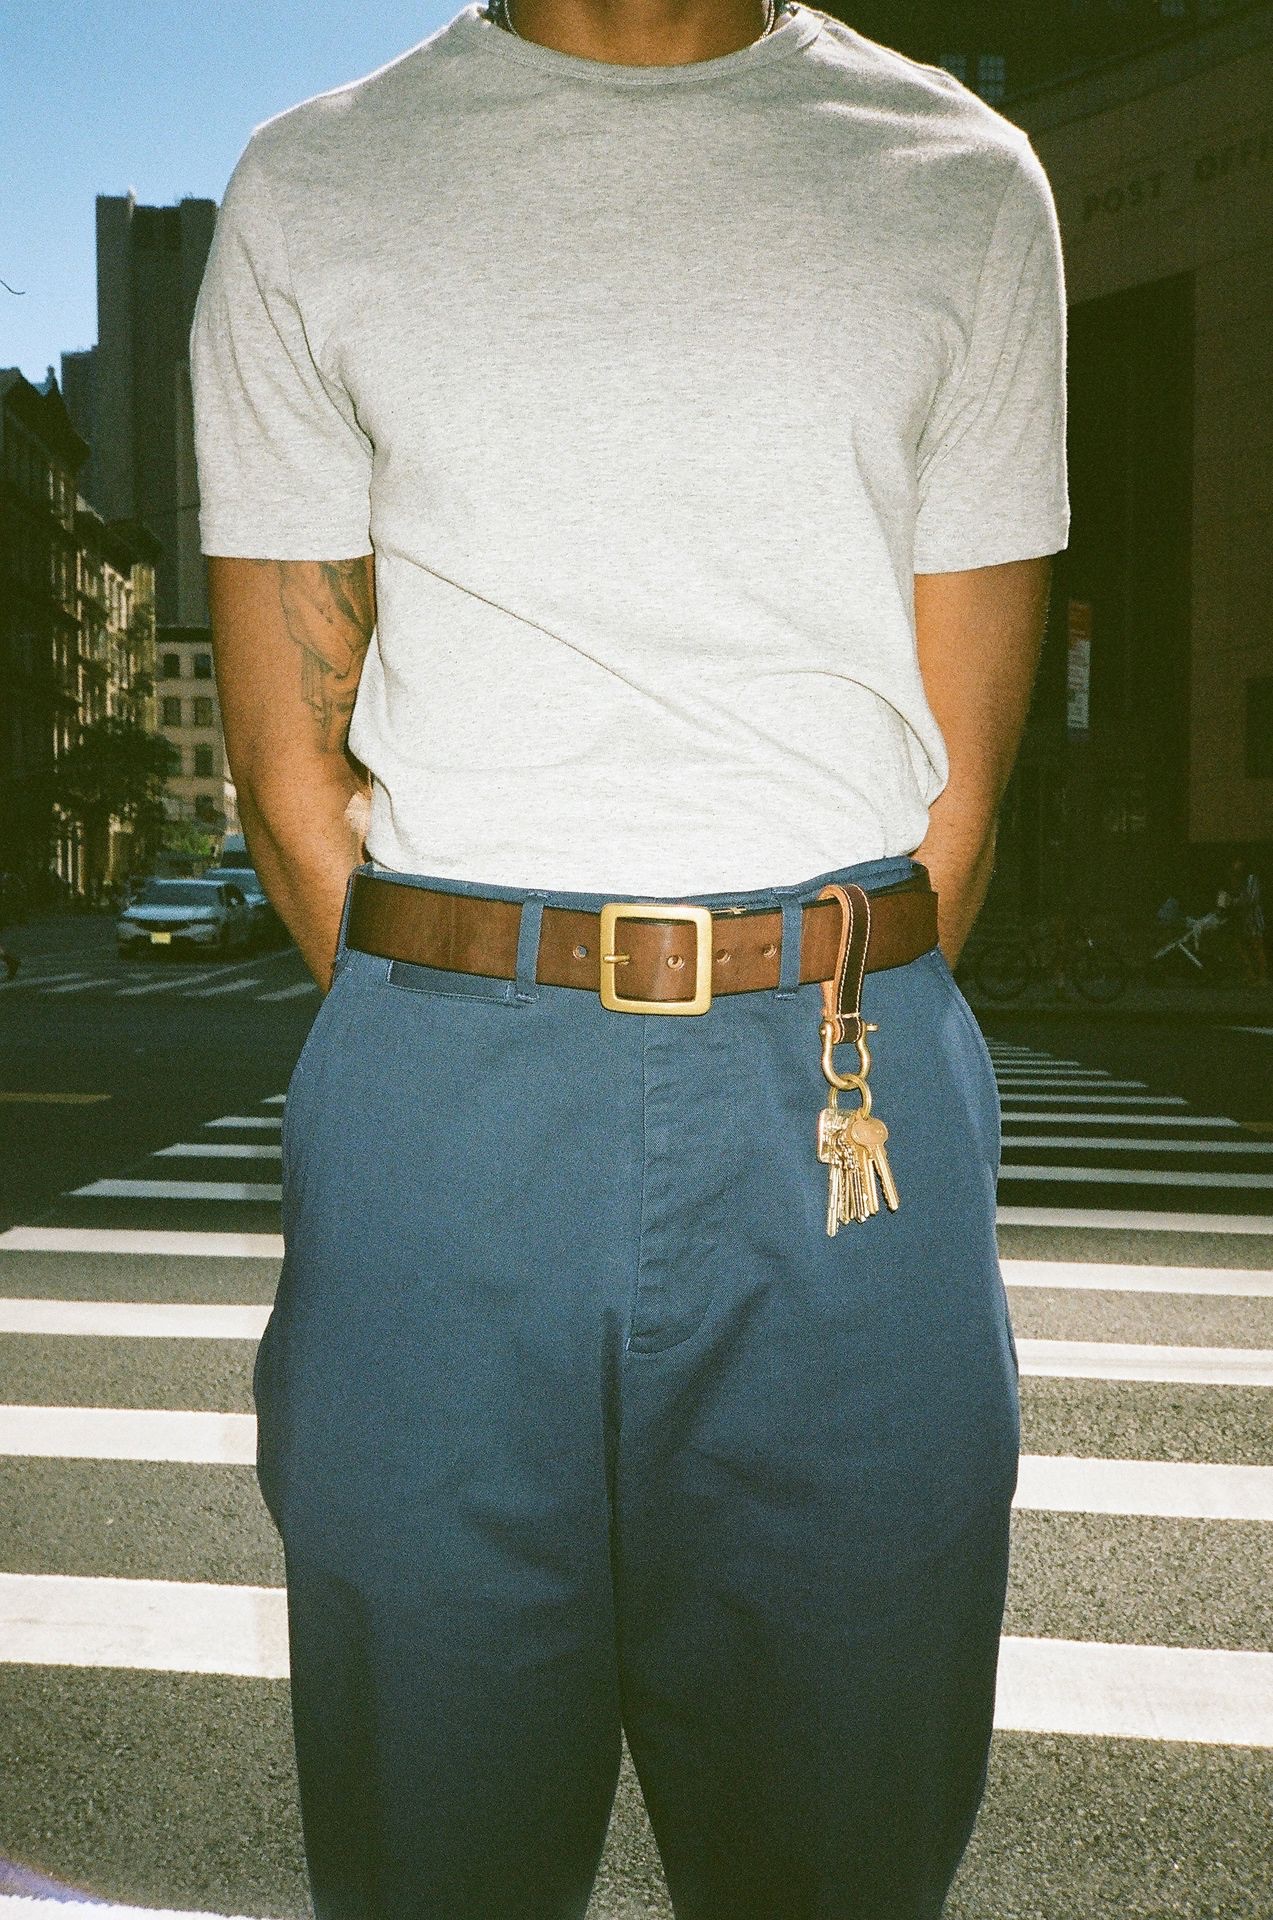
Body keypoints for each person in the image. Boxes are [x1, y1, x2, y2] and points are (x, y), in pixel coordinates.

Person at [190, 2, 1069, 1913]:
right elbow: (282, 769)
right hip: (442, 1094)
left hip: (844, 1095)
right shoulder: (314, 182)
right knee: (433, 1854)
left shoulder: (957, 180)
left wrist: (781, 987)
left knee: (839, 1854)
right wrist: (467, 1013)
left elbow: (960, 799)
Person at [1218, 851, 1268, 986]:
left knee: (1257, 946)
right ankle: (1251, 974)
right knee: (1241, 945)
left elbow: (1251, 899)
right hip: (1242, 917)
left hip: (1252, 917)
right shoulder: (1237, 879)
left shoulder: (1251, 878)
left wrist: (1232, 902)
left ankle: (1262, 977)